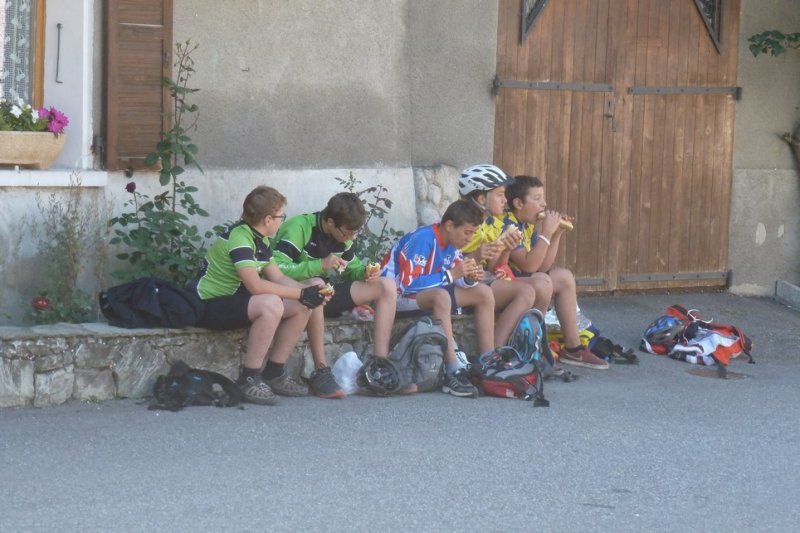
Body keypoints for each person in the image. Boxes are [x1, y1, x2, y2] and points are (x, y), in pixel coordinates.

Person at [190, 186, 329, 405]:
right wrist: (300, 292)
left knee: (303, 304)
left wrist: (309, 293)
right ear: (267, 219)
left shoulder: (260, 239)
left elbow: (277, 277)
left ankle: (273, 372)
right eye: (281, 216)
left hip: (237, 301)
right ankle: (248, 379)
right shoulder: (240, 238)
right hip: (210, 304)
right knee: (271, 304)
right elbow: (254, 285)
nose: (283, 220)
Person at [272, 192, 398, 398]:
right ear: (330, 222)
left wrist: (365, 273)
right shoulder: (299, 227)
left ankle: (379, 366)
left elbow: (353, 269)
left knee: (386, 286)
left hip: (324, 293)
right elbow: (275, 268)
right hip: (295, 294)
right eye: (348, 232)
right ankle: (321, 370)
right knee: (317, 284)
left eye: (355, 233)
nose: (351, 238)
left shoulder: (344, 237)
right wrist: (319, 265)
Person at [381, 199, 496, 397]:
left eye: (473, 233)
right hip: (395, 299)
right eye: (467, 232)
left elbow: (456, 278)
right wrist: (452, 274)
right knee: (442, 297)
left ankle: (489, 363)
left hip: (424, 294)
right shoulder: (423, 239)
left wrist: (468, 278)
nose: (470, 239)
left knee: (484, 293)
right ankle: (453, 369)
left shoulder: (453, 243)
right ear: (450, 226)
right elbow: (407, 284)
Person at [503, 175, 609, 370]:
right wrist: (547, 233)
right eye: (537, 199)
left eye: (543, 198)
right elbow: (529, 267)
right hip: (507, 281)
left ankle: (573, 348)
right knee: (544, 280)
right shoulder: (508, 224)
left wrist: (557, 234)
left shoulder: (527, 225)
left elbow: (543, 266)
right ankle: (535, 343)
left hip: (527, 278)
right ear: (518, 203)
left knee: (564, 277)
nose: (544, 204)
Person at [457, 164, 543, 345]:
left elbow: (495, 268)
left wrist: (506, 249)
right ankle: (496, 352)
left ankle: (528, 346)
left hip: (483, 277)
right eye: (500, 195)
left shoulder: (491, 224)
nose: (505, 200)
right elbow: (452, 262)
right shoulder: (464, 224)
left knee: (537, 286)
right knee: (526, 292)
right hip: (463, 282)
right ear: (481, 198)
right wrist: (478, 255)